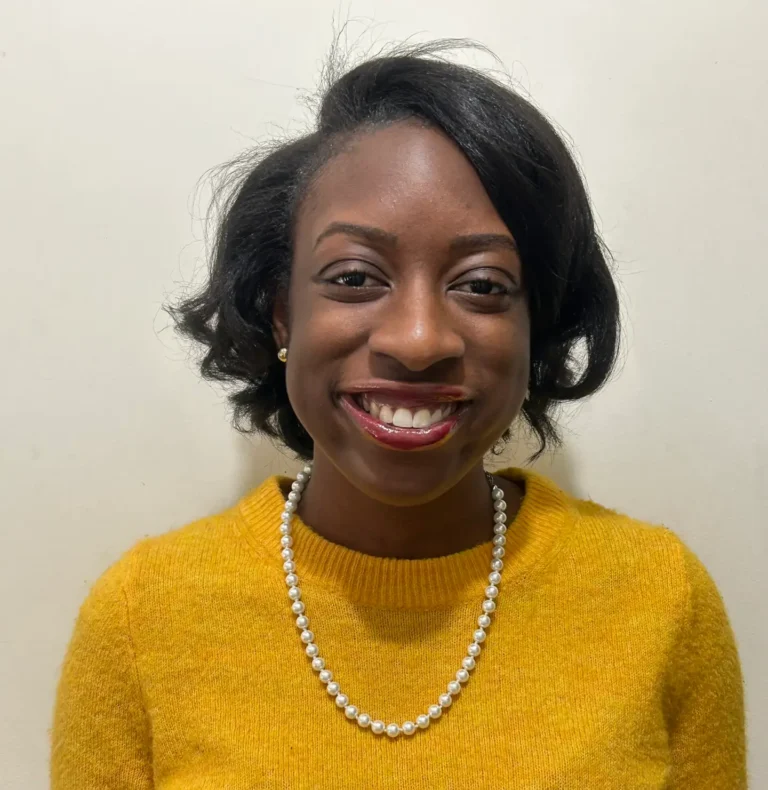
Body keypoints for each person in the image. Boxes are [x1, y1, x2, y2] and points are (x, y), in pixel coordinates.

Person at [51, 43, 746, 788]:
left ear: (534, 328)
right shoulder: (142, 620)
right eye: (354, 277)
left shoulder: (658, 600)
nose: (418, 341)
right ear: (284, 316)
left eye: (481, 286)